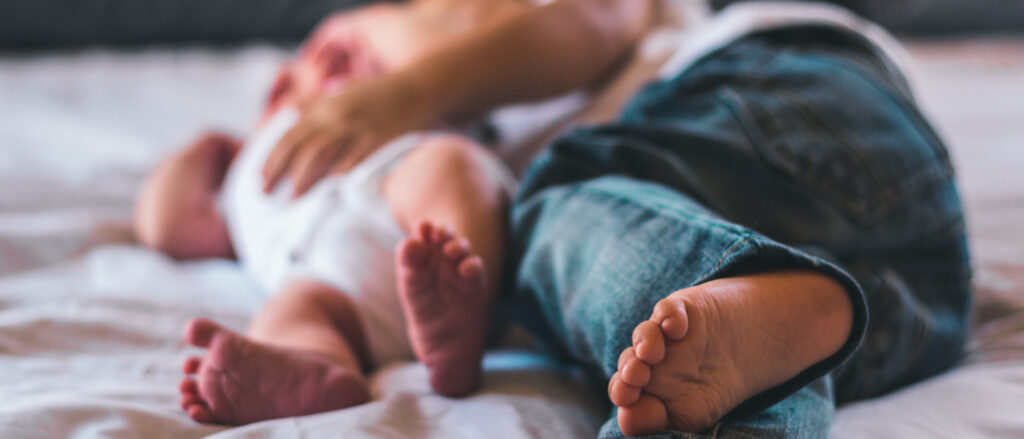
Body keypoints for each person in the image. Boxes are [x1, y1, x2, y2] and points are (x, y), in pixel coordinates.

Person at [263, 0, 971, 438]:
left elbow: (600, 12)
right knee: (764, 366)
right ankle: (760, 314)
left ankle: (735, 282)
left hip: (767, 84)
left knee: (549, 210)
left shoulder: (588, 30)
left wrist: (411, 87)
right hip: (917, 252)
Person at [134, 0, 528, 425]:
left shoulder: (426, 118)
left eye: (369, 58)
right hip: (327, 285)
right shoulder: (254, 156)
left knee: (451, 169)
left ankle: (460, 300)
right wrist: (207, 150)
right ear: (278, 91)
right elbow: (169, 229)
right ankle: (311, 371)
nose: (343, 57)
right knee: (293, 313)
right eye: (320, 56)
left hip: (404, 204)